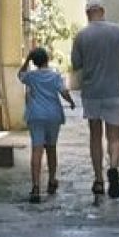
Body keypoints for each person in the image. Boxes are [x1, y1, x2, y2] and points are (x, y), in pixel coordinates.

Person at [70, 0, 119, 198]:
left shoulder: (81, 36)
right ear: (102, 10)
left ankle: (99, 180)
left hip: (92, 94)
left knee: (95, 136)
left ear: (87, 14)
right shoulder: (118, 31)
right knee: (115, 136)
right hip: (114, 92)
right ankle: (114, 167)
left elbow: (76, 65)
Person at [18, 46, 76, 203]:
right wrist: (70, 102)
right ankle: (51, 180)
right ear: (47, 59)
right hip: (53, 115)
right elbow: (63, 91)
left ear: (34, 62)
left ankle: (36, 187)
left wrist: (28, 59)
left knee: (37, 150)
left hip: (36, 115)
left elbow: (20, 75)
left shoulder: (31, 76)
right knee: (51, 148)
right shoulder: (55, 76)